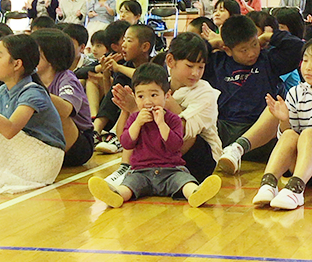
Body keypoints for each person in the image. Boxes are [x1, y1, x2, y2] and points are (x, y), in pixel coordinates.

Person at [88, 63, 222, 208]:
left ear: (167, 95)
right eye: (141, 96)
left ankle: (196, 193)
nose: (147, 101)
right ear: (134, 96)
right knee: (129, 185)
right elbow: (126, 143)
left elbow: (175, 145)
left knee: (185, 181)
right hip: (141, 171)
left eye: (154, 95)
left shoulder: (173, 119)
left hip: (171, 170)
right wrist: (137, 123)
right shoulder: (135, 119)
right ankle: (116, 195)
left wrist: (161, 124)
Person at [106, 32, 223, 186]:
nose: (195, 73)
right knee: (141, 121)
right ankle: (126, 169)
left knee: (168, 121)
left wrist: (138, 107)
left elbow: (182, 130)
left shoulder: (205, 92)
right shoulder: (158, 87)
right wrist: (127, 109)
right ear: (170, 60)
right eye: (190, 66)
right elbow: (125, 139)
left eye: (200, 67)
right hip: (160, 157)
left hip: (199, 159)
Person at [202, 15, 303, 168]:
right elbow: (184, 55)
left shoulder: (268, 60)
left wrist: (271, 36)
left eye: (254, 44)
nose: (251, 53)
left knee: (275, 109)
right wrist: (213, 43)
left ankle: (238, 148)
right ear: (227, 49)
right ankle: (231, 152)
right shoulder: (216, 63)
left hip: (261, 132)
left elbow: (298, 48)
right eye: (243, 50)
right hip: (224, 128)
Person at [252, 35, 312, 210]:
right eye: (305, 60)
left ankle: (295, 190)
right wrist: (284, 121)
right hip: (302, 164)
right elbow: (288, 138)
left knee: (309, 134)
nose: (307, 67)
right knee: (291, 134)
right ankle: (268, 184)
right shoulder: (296, 92)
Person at [0, 34, 65, 194]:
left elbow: (10, 130)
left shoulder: (32, 92)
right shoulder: (5, 90)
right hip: (23, 153)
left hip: (42, 158)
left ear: (17, 64)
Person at [31, 29, 94, 167]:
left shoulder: (67, 78)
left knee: (58, 113)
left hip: (79, 143)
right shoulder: (30, 79)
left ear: (51, 57)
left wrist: (37, 90)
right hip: (47, 137)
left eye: (35, 54)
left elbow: (66, 110)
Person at [94, 24, 155, 154]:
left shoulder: (155, 63)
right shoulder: (124, 67)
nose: (123, 45)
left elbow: (146, 77)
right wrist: (106, 75)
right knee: (119, 88)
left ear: (145, 47)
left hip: (146, 117)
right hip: (119, 116)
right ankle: (95, 131)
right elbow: (110, 96)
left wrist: (119, 68)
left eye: (129, 40)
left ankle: (116, 137)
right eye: (124, 39)